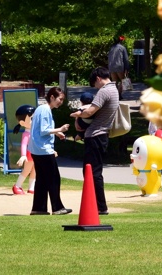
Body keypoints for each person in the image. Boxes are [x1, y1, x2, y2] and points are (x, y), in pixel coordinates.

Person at [70, 67, 119, 216]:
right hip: (101, 135)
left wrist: (77, 114)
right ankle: (98, 205)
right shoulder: (115, 90)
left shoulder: (104, 91)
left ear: (98, 78)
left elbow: (90, 111)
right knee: (93, 171)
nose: (95, 88)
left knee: (92, 172)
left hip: (96, 136)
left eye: (94, 84)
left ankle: (100, 206)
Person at [29, 87, 72, 216]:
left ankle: (38, 208)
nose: (61, 102)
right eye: (60, 99)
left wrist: (57, 133)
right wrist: (61, 129)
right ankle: (57, 208)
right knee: (54, 179)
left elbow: (41, 129)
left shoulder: (41, 109)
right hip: (43, 150)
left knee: (42, 180)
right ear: (52, 97)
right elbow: (43, 130)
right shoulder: (45, 110)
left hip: (36, 149)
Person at [10, 104, 36, 195]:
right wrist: (23, 155)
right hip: (29, 154)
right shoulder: (26, 134)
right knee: (27, 170)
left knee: (35, 170)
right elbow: (24, 145)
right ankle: (17, 185)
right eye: (32, 119)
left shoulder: (35, 132)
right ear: (22, 123)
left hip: (36, 153)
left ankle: (31, 187)